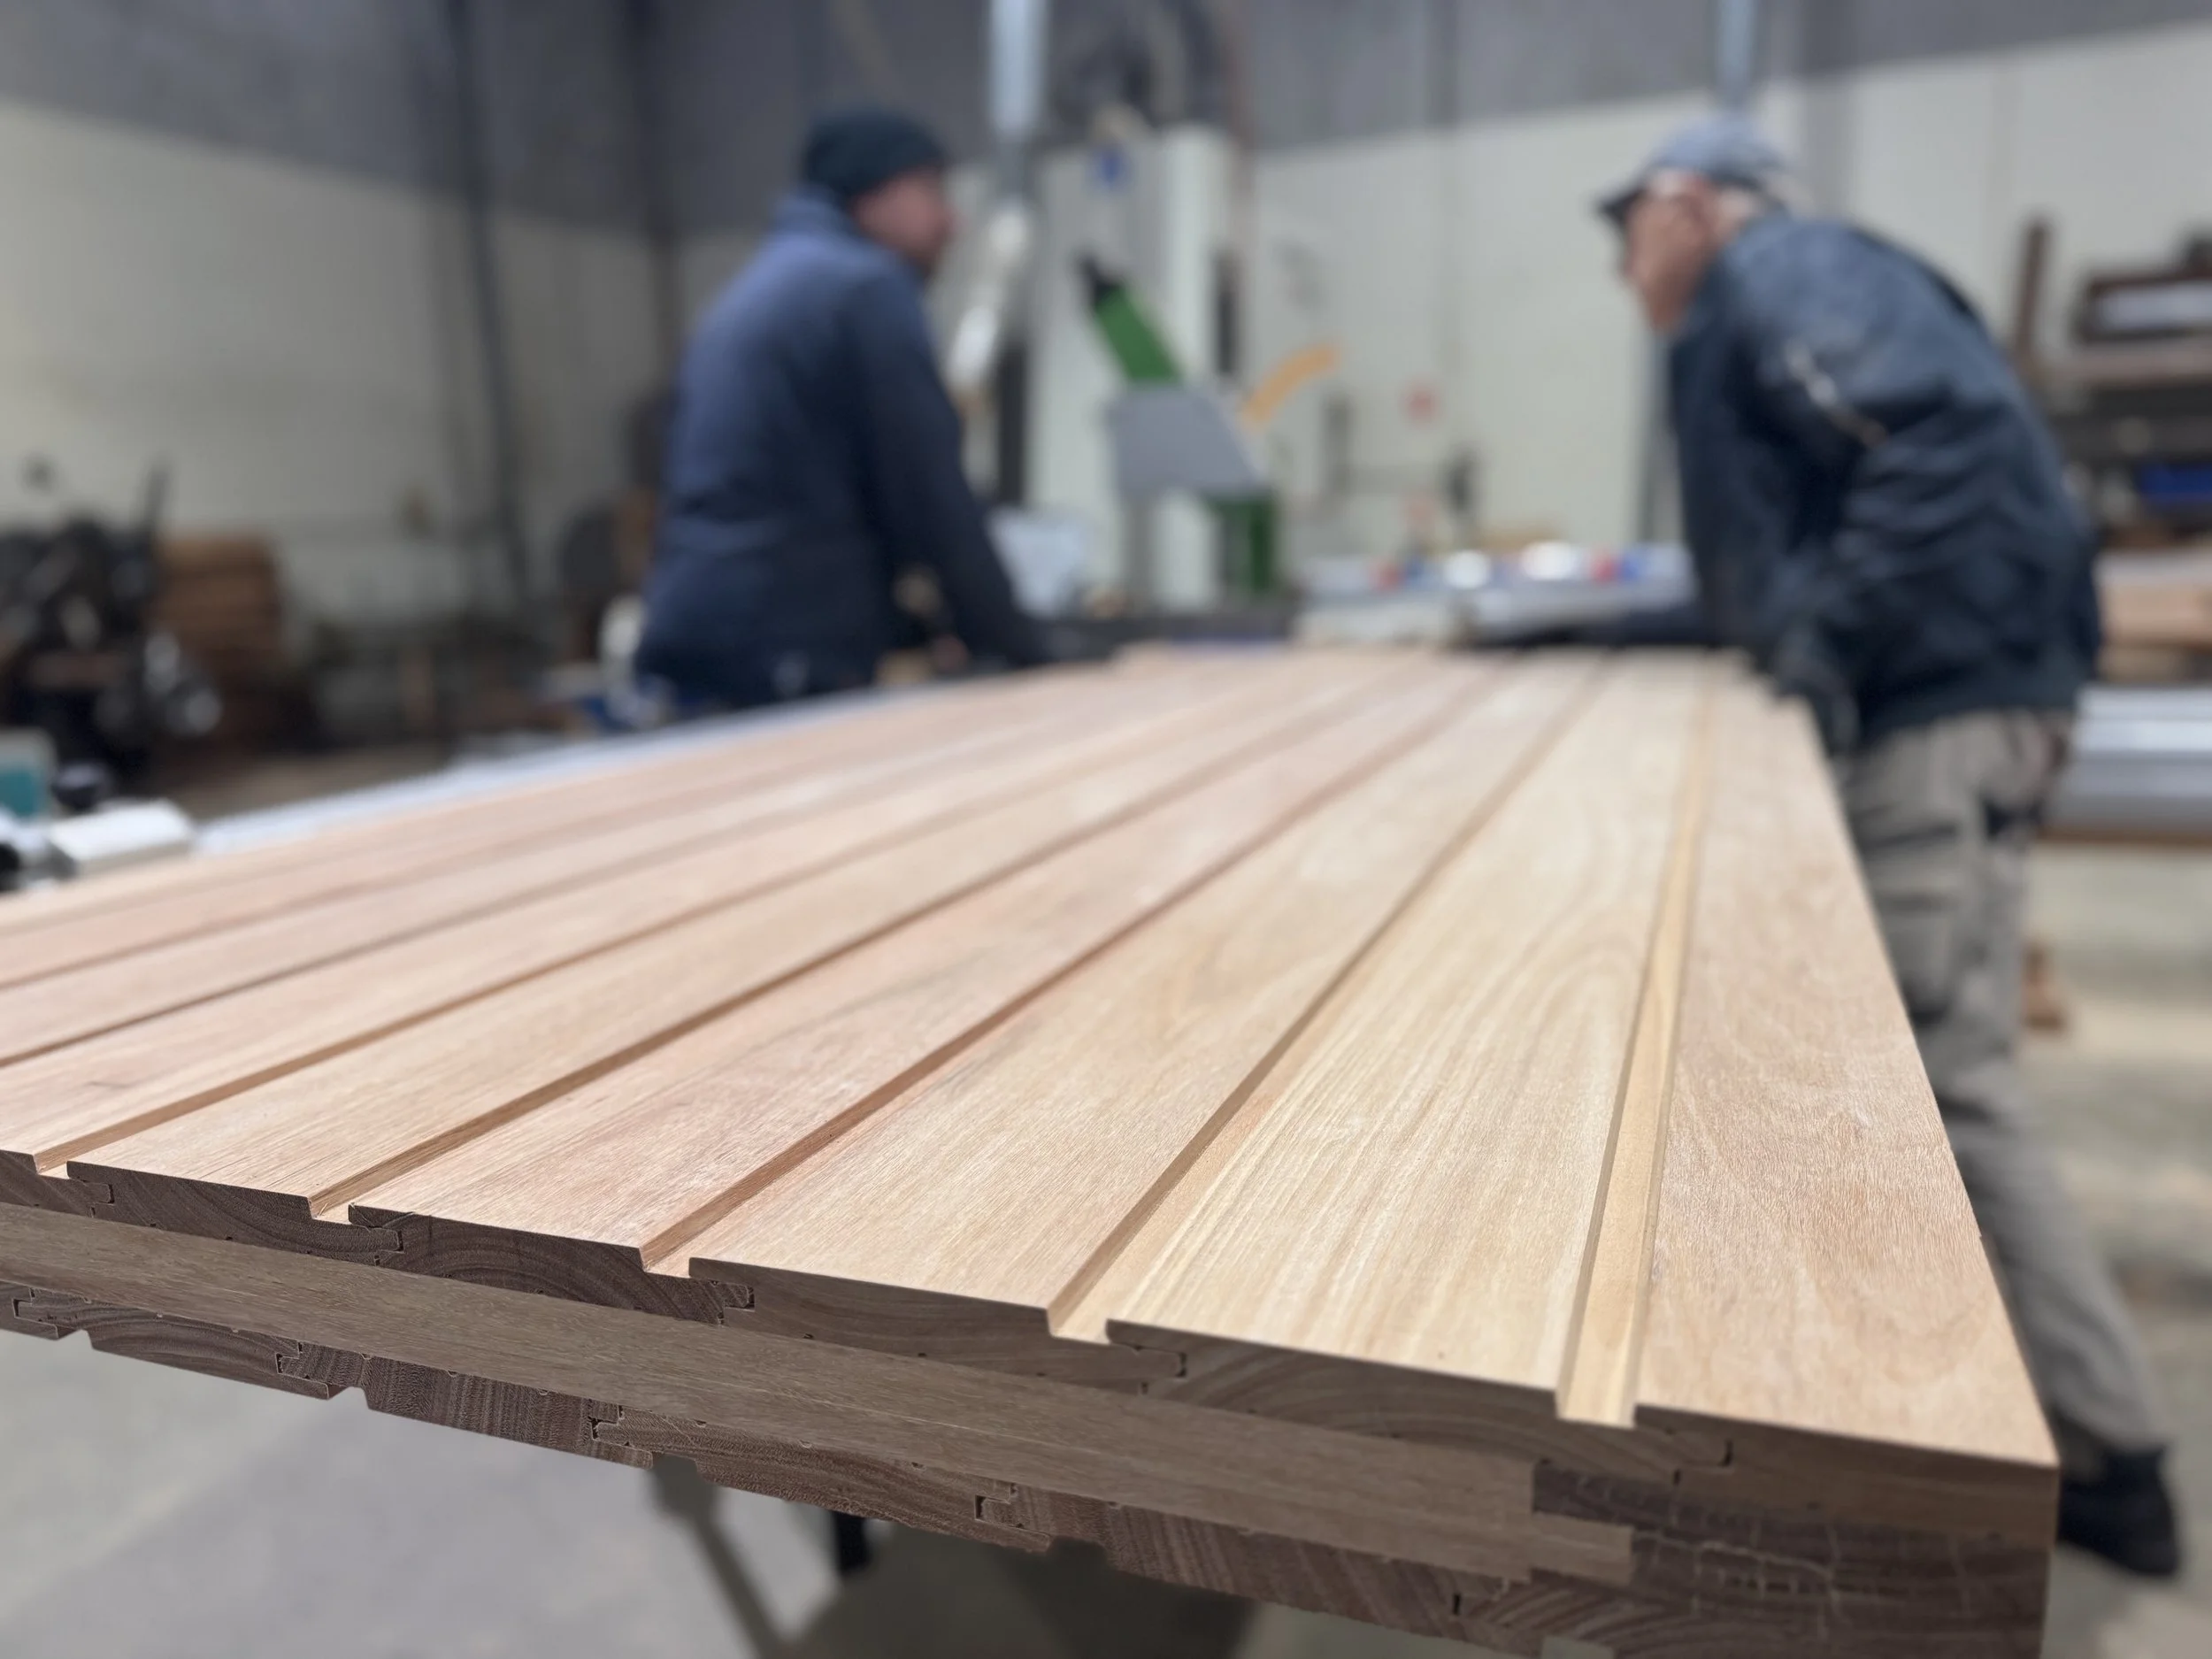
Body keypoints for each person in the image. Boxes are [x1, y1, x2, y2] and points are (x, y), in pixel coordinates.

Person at [1601, 114, 2181, 1577]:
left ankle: (2114, 1459)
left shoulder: (1781, 269)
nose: (1624, 266)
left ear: (1687, 207)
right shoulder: (1773, 308)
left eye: (1629, 230)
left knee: (1937, 1083)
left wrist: (1821, 648)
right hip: (1946, 697)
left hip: (1938, 715)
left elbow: (1939, 438)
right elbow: (1767, 575)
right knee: (1911, 1075)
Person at [638, 106, 1047, 710]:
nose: (950, 221)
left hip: (700, 623)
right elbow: (928, 490)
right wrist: (1017, 641)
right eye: (931, 191)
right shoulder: (863, 287)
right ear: (871, 195)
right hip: (781, 644)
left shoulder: (763, 284)